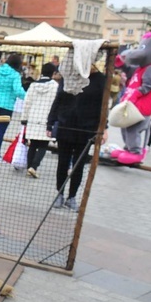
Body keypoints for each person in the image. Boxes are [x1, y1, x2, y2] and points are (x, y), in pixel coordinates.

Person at [47, 64, 107, 212]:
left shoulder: (100, 79)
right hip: (66, 126)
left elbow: (103, 105)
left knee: (79, 164)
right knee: (63, 162)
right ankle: (59, 193)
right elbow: (58, 100)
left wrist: (104, 127)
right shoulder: (69, 76)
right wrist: (50, 123)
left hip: (87, 128)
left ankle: (72, 196)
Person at [21, 63, 60, 178]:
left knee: (32, 145)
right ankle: (34, 166)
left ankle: (29, 166)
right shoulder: (55, 86)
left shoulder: (33, 85)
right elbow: (56, 104)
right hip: (47, 119)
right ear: (53, 73)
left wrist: (24, 118)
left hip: (33, 117)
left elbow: (27, 103)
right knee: (43, 145)